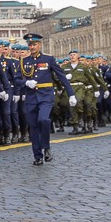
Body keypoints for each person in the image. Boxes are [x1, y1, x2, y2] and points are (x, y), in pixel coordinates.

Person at [16, 33, 76, 166]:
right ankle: (37, 156)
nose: (32, 47)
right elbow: (16, 79)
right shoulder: (23, 61)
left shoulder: (48, 59)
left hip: (45, 95)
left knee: (44, 120)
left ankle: (46, 147)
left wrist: (71, 93)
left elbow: (61, 76)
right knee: (33, 127)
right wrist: (25, 83)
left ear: (39, 45)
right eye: (30, 44)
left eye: (34, 44)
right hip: (31, 96)